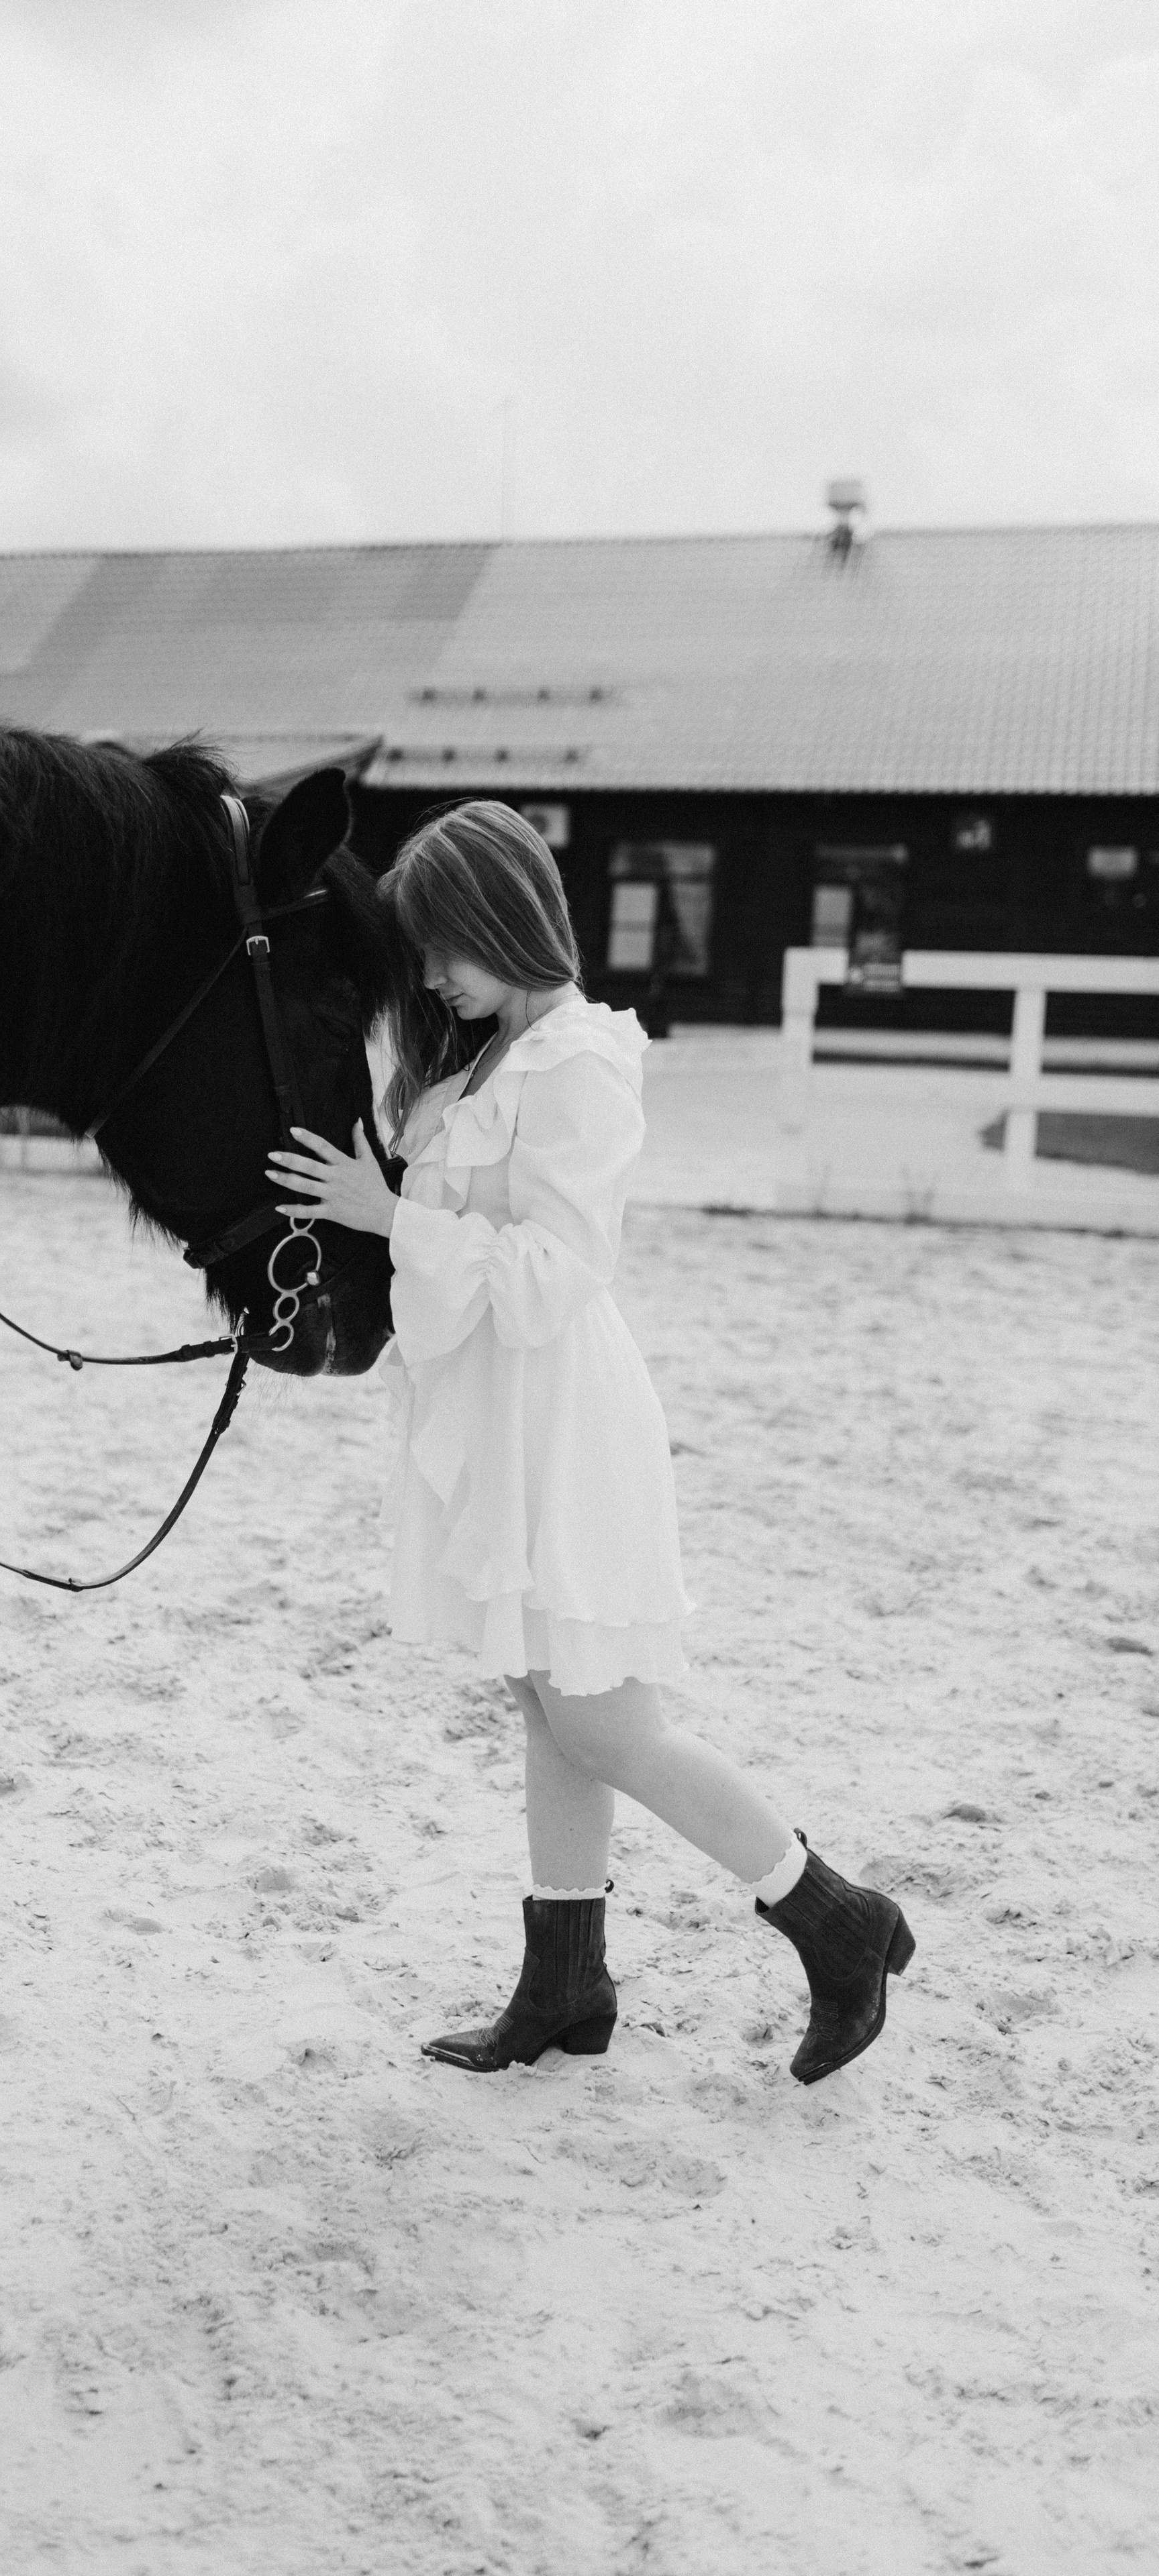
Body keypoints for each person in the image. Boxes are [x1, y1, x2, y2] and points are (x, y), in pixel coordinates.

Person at [267, 801, 913, 2083]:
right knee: (547, 1709)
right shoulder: (470, 1067)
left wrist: (390, 1214)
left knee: (611, 1724)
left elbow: (562, 1268)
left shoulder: (580, 1061)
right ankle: (566, 1983)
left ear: (508, 916)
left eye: (447, 944)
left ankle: (837, 1921)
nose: (434, 974)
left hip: (560, 1416)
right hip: (495, 1413)